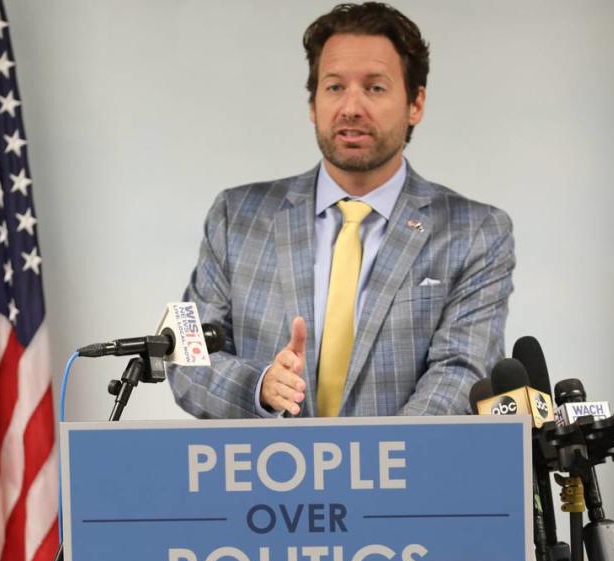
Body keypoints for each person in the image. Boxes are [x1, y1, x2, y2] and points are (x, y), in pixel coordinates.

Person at [168, 2, 514, 418]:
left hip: (399, 477)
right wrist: (259, 387)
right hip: (264, 476)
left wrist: (371, 463)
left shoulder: (475, 232)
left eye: (375, 87)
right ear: (313, 104)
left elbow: (461, 370)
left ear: (415, 104)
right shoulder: (235, 217)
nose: (351, 107)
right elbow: (187, 359)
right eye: (334, 87)